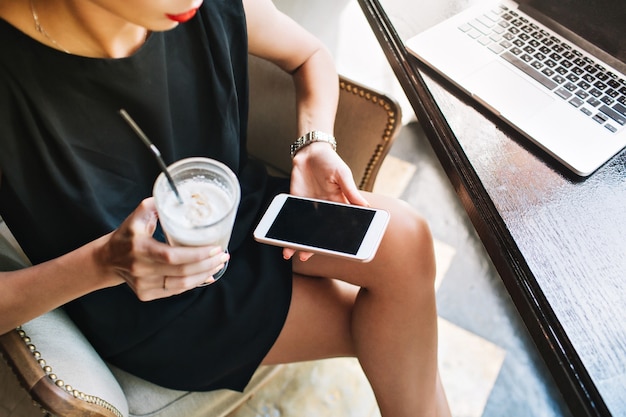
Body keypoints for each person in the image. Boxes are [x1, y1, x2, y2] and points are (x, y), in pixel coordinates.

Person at [0, 0, 451, 415]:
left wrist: (314, 143)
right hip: (144, 305)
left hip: (244, 210)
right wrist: (104, 264)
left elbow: (309, 54)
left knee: (406, 236)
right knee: (400, 331)